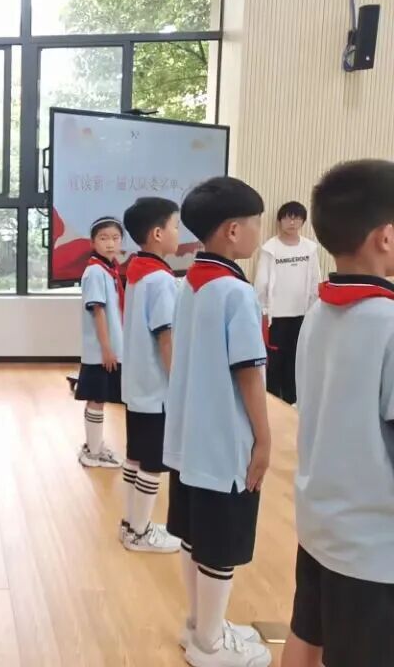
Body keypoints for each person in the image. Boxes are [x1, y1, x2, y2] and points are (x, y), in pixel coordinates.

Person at [281, 160, 394, 667]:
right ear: (385, 237)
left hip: (320, 523)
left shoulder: (319, 313)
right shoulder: (387, 322)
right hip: (376, 547)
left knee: (307, 634)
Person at [164, 177, 272, 667]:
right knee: (221, 545)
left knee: (195, 535)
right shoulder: (235, 292)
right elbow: (248, 372)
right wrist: (264, 440)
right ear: (232, 230)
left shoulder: (189, 283)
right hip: (225, 442)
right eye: (255, 224)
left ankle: (199, 625)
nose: (257, 234)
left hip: (189, 439)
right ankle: (209, 644)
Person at [119, 197, 183, 554]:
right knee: (152, 463)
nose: (178, 233)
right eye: (175, 226)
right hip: (157, 390)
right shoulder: (160, 279)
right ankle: (141, 532)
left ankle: (131, 524)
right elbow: (166, 337)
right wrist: (179, 384)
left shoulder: (137, 271)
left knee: (135, 456)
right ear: (158, 233)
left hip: (138, 386)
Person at [254, 201, 320, 404]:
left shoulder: (310, 248)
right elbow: (261, 283)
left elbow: (315, 281)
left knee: (296, 360)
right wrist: (262, 311)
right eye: (288, 218)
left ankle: (293, 402)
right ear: (280, 221)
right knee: (274, 362)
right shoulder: (270, 248)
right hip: (275, 317)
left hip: (302, 314)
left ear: (303, 221)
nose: (292, 222)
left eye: (297, 218)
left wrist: (313, 311)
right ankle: (273, 402)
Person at [75, 217, 126, 469]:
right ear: (93, 242)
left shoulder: (109, 269)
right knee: (96, 398)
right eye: (103, 238)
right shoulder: (96, 271)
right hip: (101, 351)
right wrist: (107, 349)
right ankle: (93, 453)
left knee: (99, 398)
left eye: (115, 238)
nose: (110, 243)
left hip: (109, 348)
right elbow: (98, 311)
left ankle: (94, 446)